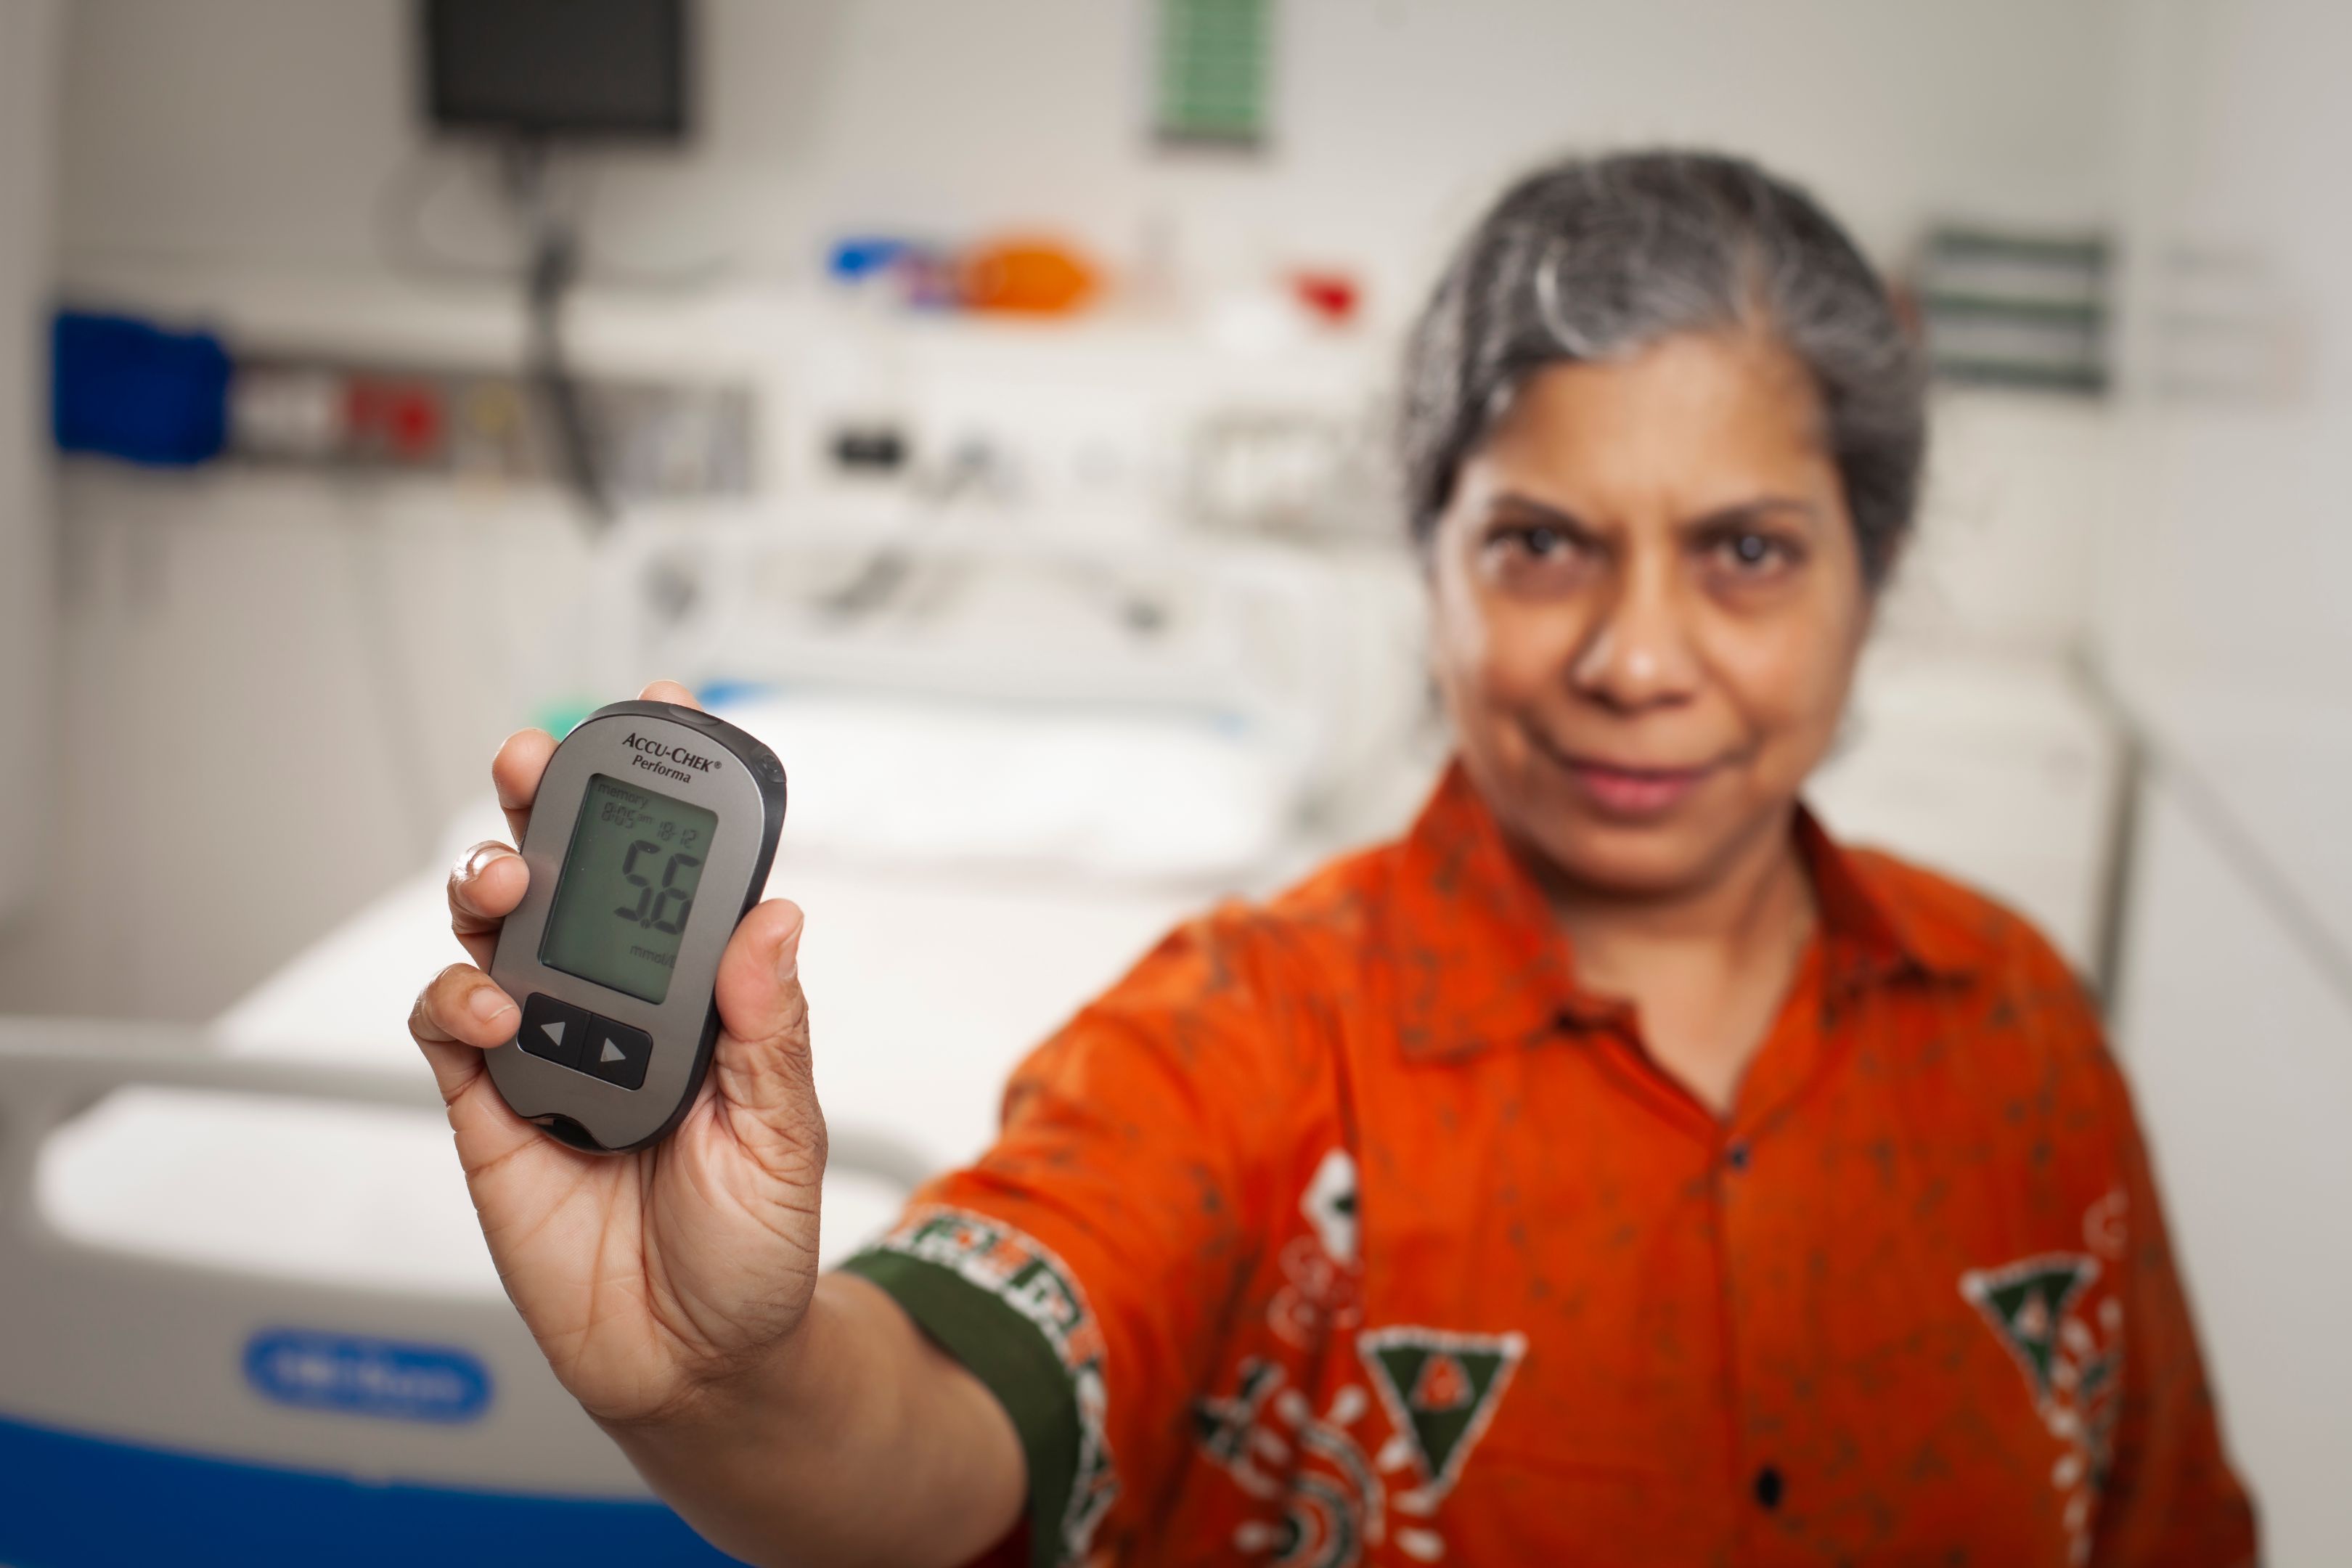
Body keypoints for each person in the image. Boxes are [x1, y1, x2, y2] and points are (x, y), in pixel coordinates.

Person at [410, 152, 2256, 1567]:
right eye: (1540, 542)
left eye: (1748, 552)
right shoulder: (1249, 1039)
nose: (1636, 654)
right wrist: (733, 1385)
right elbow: (952, 1421)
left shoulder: (2013, 1034)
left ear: (1877, 574)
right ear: (1430, 568)